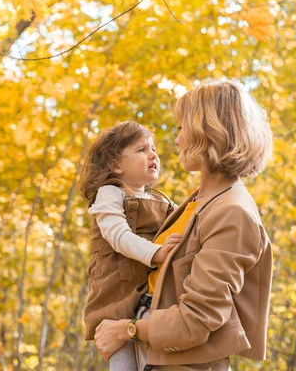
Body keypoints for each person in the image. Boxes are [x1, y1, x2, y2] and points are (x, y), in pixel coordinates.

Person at [94, 80, 274, 370]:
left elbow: (198, 319)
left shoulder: (233, 213)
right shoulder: (197, 203)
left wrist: (127, 329)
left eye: (181, 129)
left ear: (208, 131)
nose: (177, 140)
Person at [81, 121, 182, 370]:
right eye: (142, 150)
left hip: (148, 295)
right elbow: (118, 236)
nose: (153, 155)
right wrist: (156, 252)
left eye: (153, 149)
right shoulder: (110, 193)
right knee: (123, 359)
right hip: (116, 291)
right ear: (116, 165)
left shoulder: (160, 200)